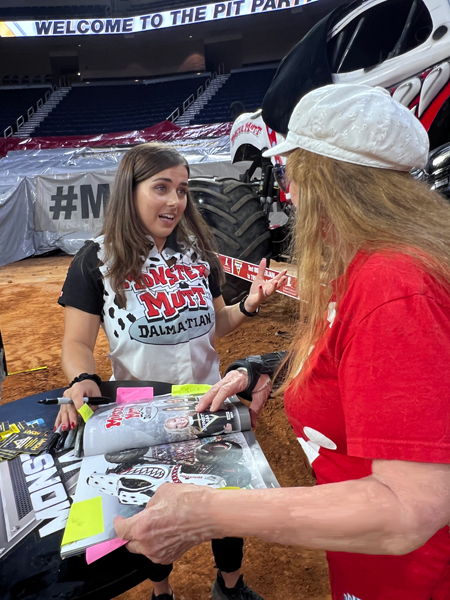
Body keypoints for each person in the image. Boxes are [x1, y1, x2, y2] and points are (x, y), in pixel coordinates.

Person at [113, 86, 450, 600]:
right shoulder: (372, 265)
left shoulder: (394, 282)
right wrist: (270, 365)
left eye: (294, 174)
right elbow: (358, 356)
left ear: (328, 182)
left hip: (411, 575)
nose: (288, 191)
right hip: (374, 559)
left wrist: (203, 511)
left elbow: (410, 510)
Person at [55, 142, 287, 600]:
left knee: (224, 498)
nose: (175, 201)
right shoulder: (95, 261)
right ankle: (161, 591)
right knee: (151, 507)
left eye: (181, 189)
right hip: (142, 413)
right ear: (130, 191)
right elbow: (77, 342)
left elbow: (215, 325)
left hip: (210, 399)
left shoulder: (199, 255)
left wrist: (250, 304)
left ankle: (230, 586)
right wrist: (82, 378)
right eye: (161, 188)